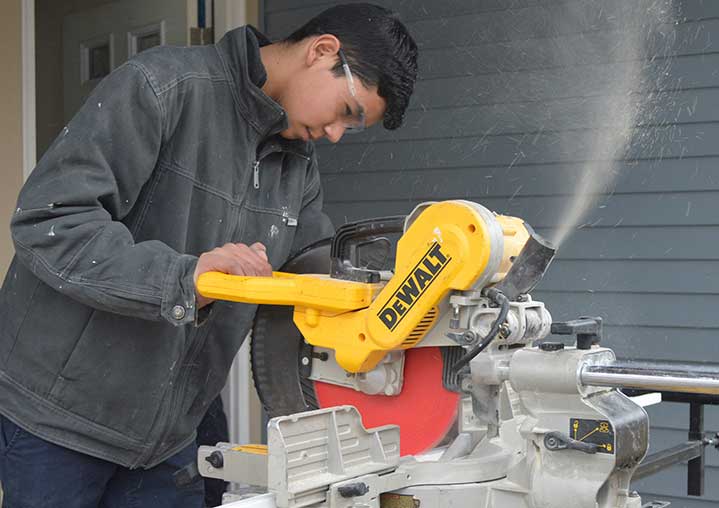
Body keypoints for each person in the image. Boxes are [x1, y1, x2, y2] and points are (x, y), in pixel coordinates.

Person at [0, 3, 418, 507]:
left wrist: (395, 301)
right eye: (347, 113)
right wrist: (184, 277)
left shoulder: (297, 167)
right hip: (58, 420)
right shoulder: (162, 88)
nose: (334, 134)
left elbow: (310, 279)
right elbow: (50, 221)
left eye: (351, 128)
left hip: (169, 433)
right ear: (321, 51)